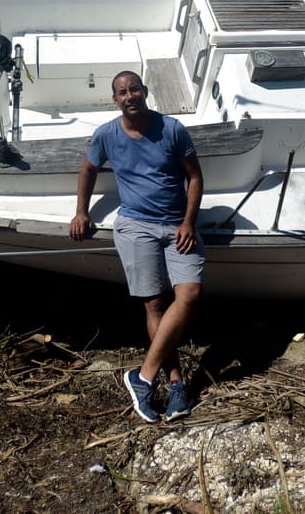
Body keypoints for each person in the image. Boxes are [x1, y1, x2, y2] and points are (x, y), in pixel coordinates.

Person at [70, 71, 204, 423]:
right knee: (155, 301)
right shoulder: (106, 135)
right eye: (122, 92)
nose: (130, 95)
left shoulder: (171, 129)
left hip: (177, 224)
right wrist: (82, 212)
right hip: (135, 224)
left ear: (145, 92)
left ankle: (142, 377)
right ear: (115, 99)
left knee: (188, 294)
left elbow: (194, 176)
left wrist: (188, 222)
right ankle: (175, 384)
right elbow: (88, 169)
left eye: (134, 89)